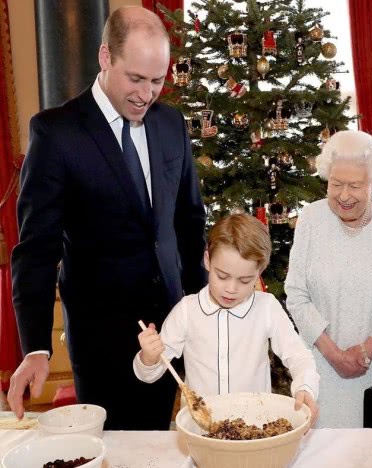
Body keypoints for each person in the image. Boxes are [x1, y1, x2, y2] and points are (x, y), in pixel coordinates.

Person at [8, 6, 207, 430]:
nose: (146, 94)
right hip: (103, 340)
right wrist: (36, 347)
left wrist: (203, 310)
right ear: (105, 57)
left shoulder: (171, 124)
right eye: (135, 78)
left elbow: (189, 225)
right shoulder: (56, 133)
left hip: (172, 326)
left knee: (161, 443)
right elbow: (36, 251)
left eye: (157, 81)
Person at [285, 130, 372, 428]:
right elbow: (295, 293)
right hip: (321, 367)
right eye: (336, 185)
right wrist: (333, 354)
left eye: (355, 186)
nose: (344, 195)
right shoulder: (311, 218)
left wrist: (365, 351)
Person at [135, 214, 319, 425]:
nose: (231, 289)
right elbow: (149, 374)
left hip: (254, 426)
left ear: (259, 271)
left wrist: (305, 387)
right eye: (222, 276)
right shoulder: (187, 310)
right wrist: (148, 358)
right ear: (207, 260)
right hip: (200, 429)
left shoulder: (266, 307)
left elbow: (299, 356)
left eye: (244, 280)